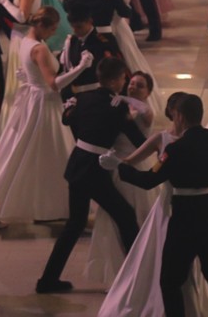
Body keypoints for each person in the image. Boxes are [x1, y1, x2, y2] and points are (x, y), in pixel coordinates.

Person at [34, 56, 148, 294]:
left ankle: (48, 279)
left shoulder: (83, 98)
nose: (124, 83)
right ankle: (136, 277)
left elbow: (67, 120)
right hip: (95, 170)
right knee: (126, 217)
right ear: (116, 80)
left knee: (75, 224)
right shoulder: (116, 106)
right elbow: (138, 140)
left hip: (77, 163)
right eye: (123, 79)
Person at [110, 92, 208, 317]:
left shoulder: (174, 150)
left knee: (170, 279)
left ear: (180, 116)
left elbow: (148, 180)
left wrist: (120, 167)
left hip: (185, 217)